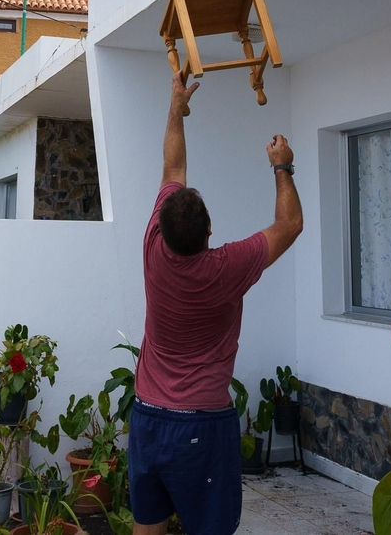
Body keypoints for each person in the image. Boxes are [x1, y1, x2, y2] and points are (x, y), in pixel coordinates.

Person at [127, 72, 304, 535]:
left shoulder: (152, 249)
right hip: (202, 427)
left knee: (147, 528)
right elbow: (288, 226)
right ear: (210, 230)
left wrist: (175, 106)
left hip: (148, 416)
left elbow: (172, 168)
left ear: (160, 229)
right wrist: (281, 165)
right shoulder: (227, 267)